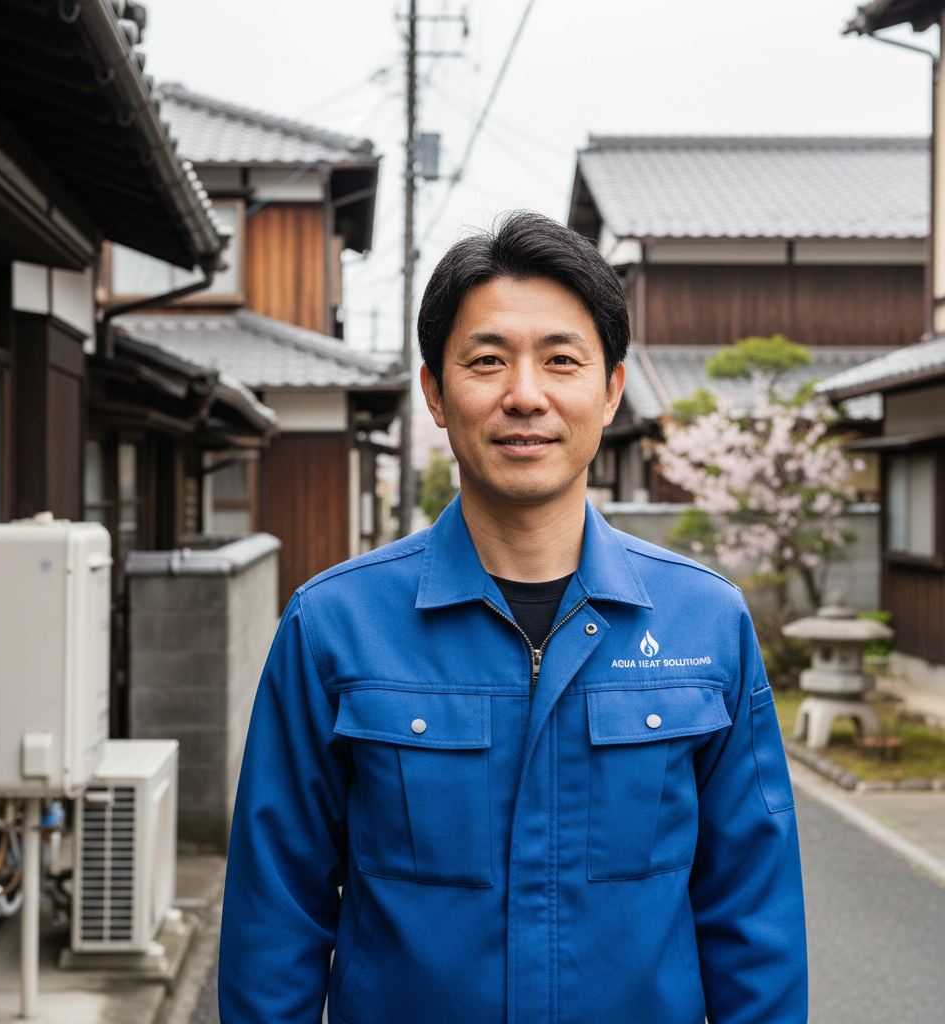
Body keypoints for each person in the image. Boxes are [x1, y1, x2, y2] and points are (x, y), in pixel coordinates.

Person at [218, 212, 807, 1024]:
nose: (524, 395)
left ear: (609, 392)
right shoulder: (333, 627)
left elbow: (754, 921)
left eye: (561, 361)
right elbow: (272, 922)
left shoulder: (706, 623)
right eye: (487, 361)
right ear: (435, 391)